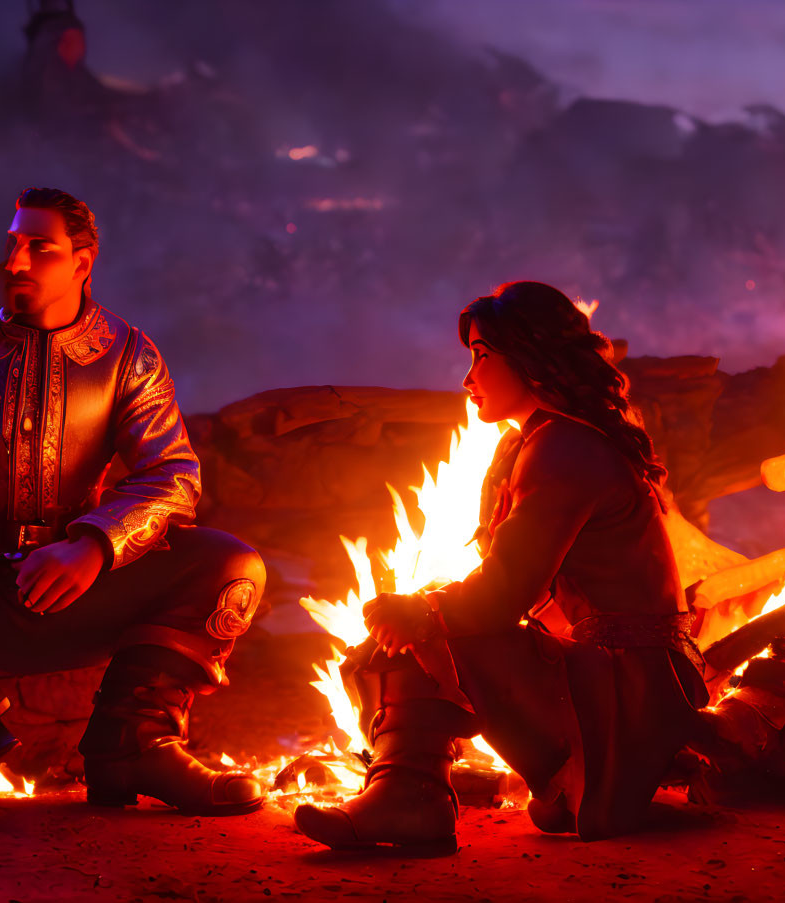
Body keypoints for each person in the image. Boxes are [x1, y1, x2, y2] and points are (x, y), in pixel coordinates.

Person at [295, 280, 707, 853]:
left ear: (531, 358)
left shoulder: (565, 446)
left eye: (482, 356)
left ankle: (410, 801)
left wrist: (420, 613)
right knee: (424, 622)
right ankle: (410, 796)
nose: (468, 377)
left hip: (627, 692)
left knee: (425, 629)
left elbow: (504, 593)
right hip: (617, 680)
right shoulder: (551, 440)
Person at [0, 189, 265, 815]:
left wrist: (93, 544)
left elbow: (174, 473)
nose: (15, 264)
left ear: (83, 261)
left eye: (39, 248)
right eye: (11, 246)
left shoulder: (125, 355)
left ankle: (132, 743)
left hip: (74, 583)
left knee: (228, 568)